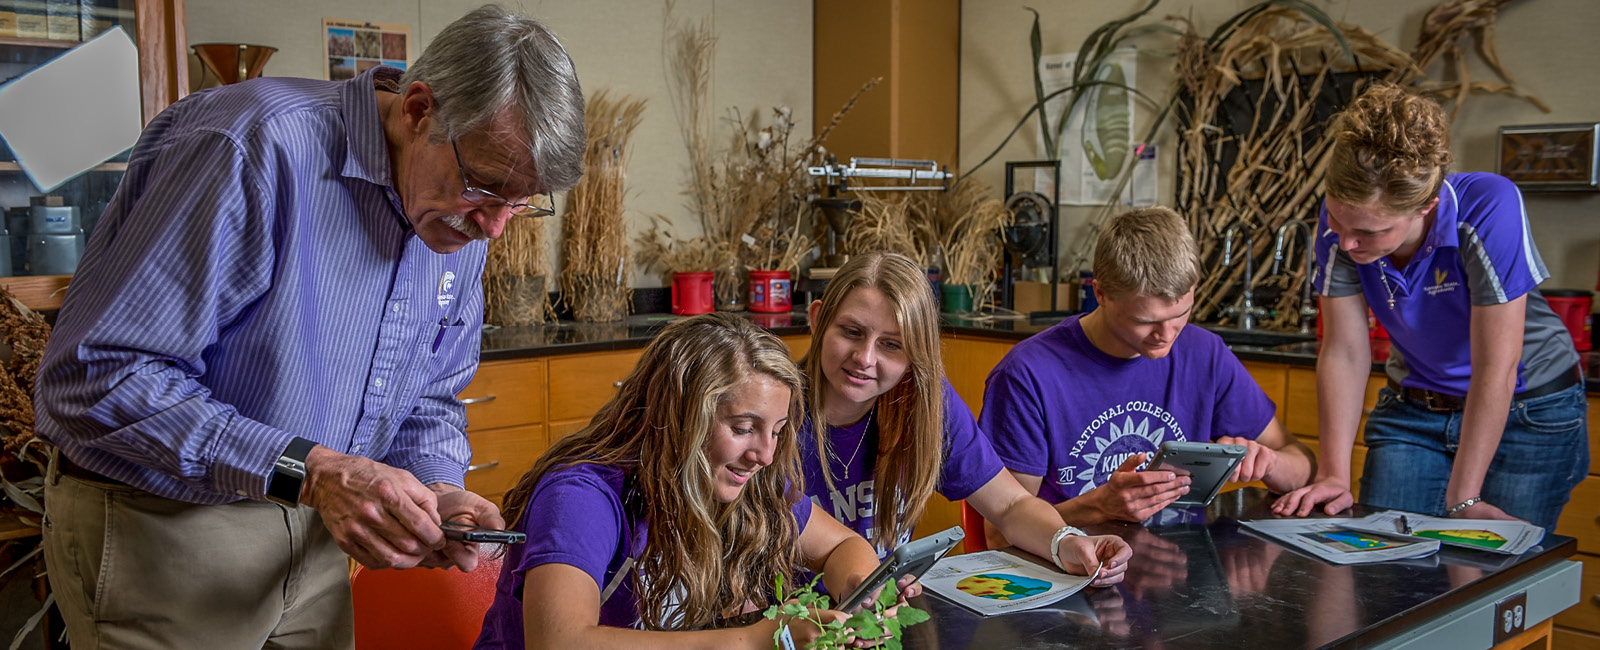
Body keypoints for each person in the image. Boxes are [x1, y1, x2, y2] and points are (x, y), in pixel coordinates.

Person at [32, 5, 585, 648]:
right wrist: (314, 472)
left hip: (314, 533)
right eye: (484, 188)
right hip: (166, 530)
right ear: (417, 109)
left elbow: (431, 394)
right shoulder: (249, 146)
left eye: (519, 205)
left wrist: (436, 489)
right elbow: (97, 375)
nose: (493, 228)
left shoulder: (460, 215)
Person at [1274, 83, 1588, 534]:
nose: (1346, 241)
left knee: (1491, 585)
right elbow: (1344, 350)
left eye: (1370, 230)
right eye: (1338, 219)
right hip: (1414, 408)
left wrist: (1464, 497)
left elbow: (1496, 367)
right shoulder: (1343, 222)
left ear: (1427, 206)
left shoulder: (1487, 207)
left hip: (1528, 409)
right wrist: (1332, 475)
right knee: (1380, 572)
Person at [474, 313, 885, 649]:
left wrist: (858, 588)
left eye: (776, 430)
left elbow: (844, 546)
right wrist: (752, 640)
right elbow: (559, 642)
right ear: (680, 420)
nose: (765, 455)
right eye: (743, 428)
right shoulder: (581, 497)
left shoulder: (740, 480)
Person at [799, 252, 1132, 585]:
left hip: (882, 617)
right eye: (852, 332)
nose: (865, 358)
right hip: (785, 622)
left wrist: (1067, 542)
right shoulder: (774, 416)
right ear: (817, 319)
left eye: (891, 345)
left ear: (917, 353)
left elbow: (1011, 505)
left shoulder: (924, 403)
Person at [981, 207, 1317, 525]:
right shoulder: (1027, 374)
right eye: (1144, 321)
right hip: (1067, 573)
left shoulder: (1204, 353)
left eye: (1180, 314)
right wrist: (1100, 506)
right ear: (1099, 292)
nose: (1166, 336)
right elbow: (1001, 530)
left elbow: (1303, 465)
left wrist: (1270, 464)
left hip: (1182, 569)